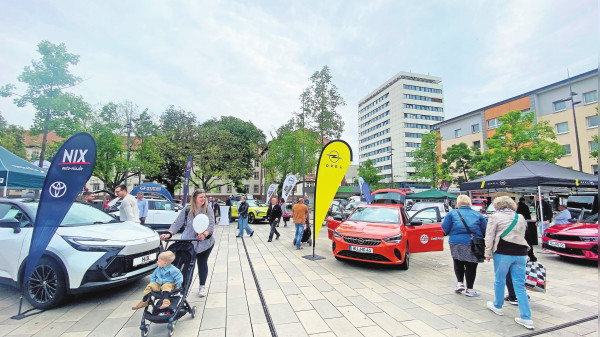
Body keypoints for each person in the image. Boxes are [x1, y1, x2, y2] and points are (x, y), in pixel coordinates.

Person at [485, 196, 534, 330]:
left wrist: (487, 253)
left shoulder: (495, 217)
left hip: (503, 251)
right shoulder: (521, 217)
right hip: (521, 253)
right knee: (519, 284)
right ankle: (526, 317)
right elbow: (523, 234)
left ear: (497, 205)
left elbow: (489, 235)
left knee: (500, 280)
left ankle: (497, 305)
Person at [161, 189, 215, 297]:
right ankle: (180, 286)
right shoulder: (187, 209)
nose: (203, 199)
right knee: (185, 264)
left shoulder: (208, 209)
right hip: (188, 241)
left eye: (204, 197)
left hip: (205, 243)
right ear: (195, 198)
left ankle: (202, 286)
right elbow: (177, 223)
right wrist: (169, 234)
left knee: (201, 263)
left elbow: (211, 225)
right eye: (201, 197)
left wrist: (204, 235)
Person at [441, 194, 487, 297]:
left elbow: (444, 228)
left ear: (458, 203)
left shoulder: (452, 214)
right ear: (469, 202)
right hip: (473, 243)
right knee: (471, 265)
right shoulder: (478, 215)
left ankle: (460, 283)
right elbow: (485, 230)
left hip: (456, 242)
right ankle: (469, 289)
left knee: (457, 261)